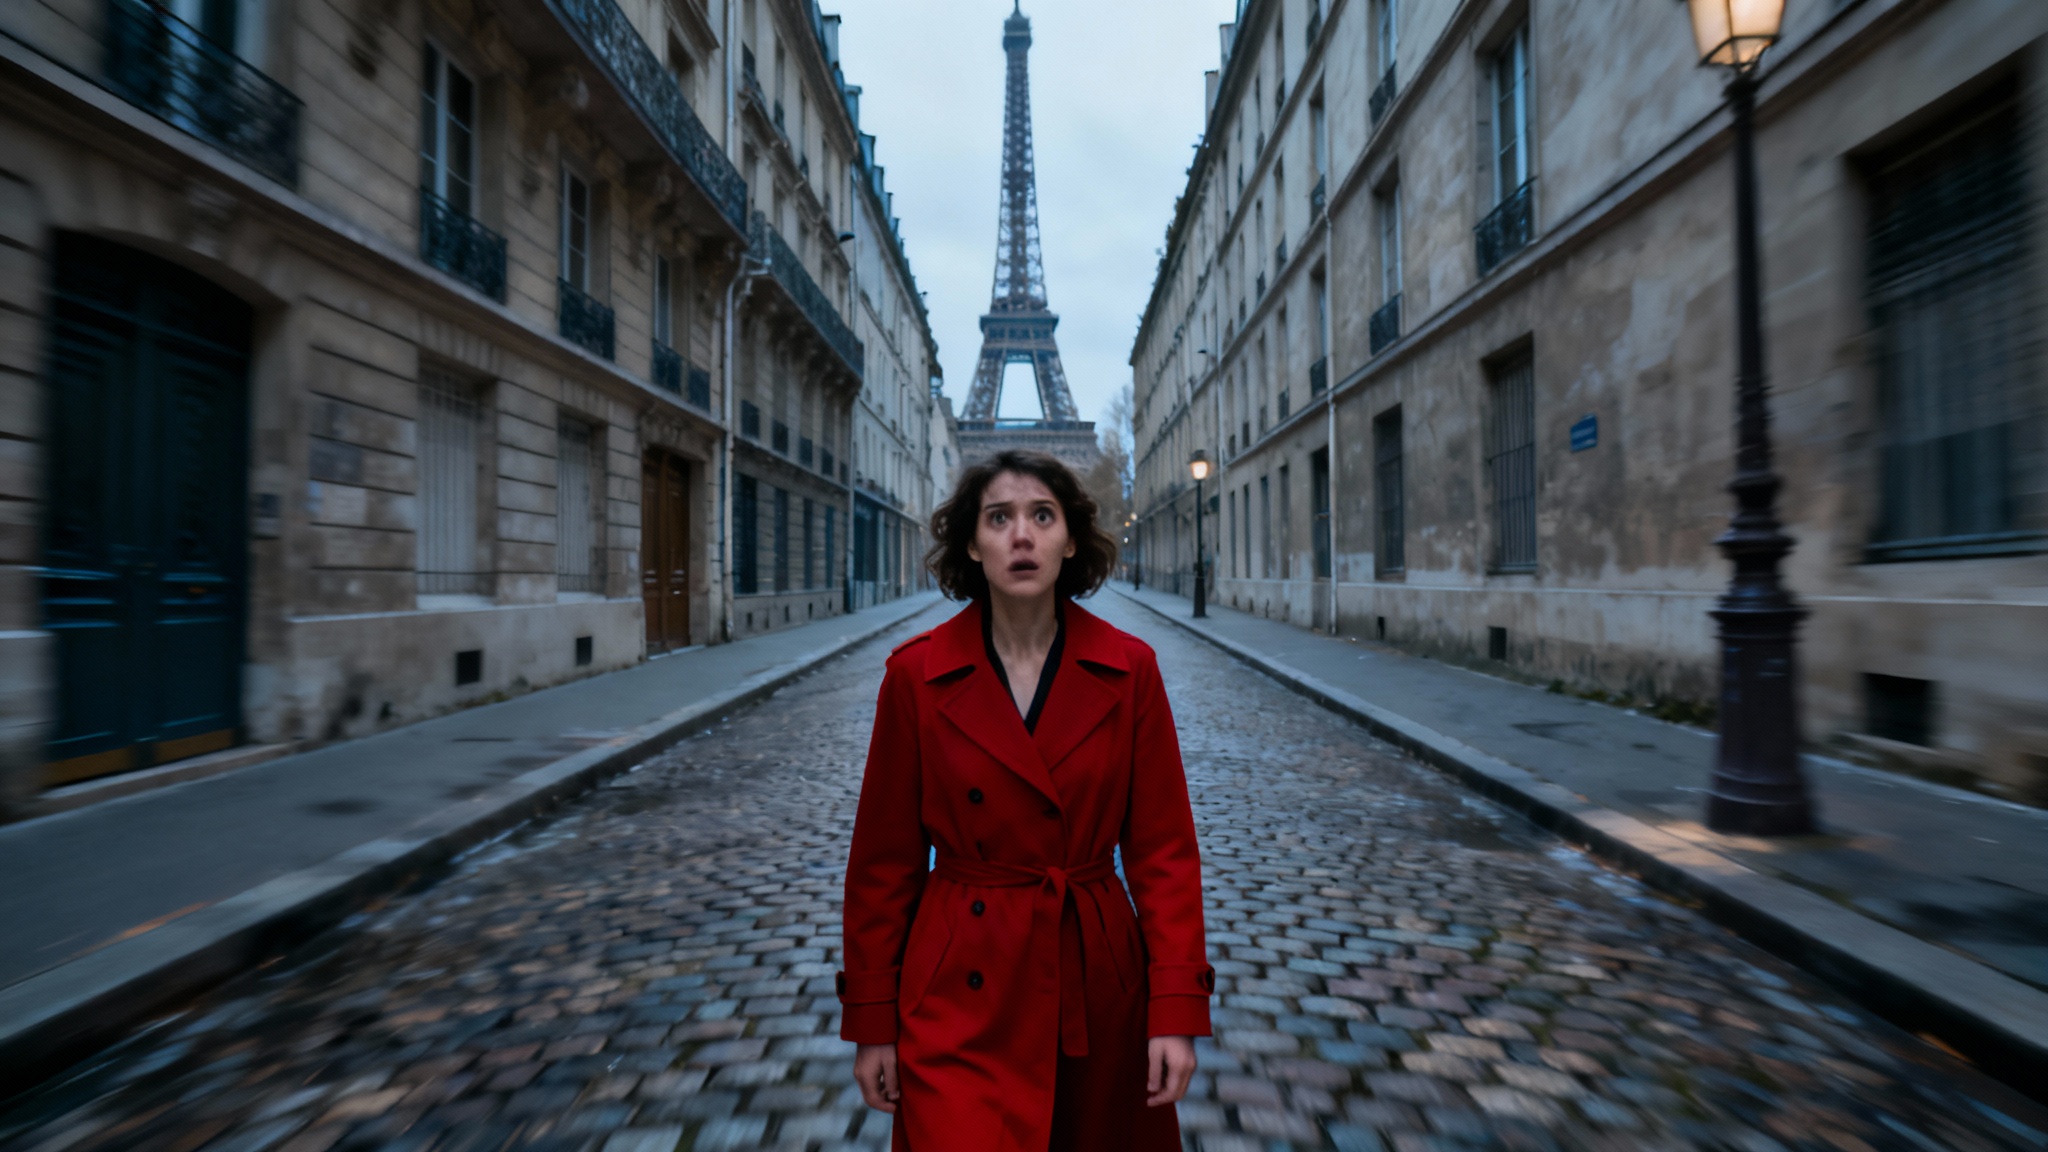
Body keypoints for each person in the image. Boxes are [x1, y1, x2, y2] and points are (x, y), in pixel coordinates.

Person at [836, 450, 1213, 1151]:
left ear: (1070, 540)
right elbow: (882, 865)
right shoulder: (914, 677)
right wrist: (871, 1025)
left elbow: (1163, 851)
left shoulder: (1132, 670)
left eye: (1042, 515)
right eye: (998, 517)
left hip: (1096, 983)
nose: (1021, 536)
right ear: (971, 545)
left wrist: (1175, 1011)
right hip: (956, 988)